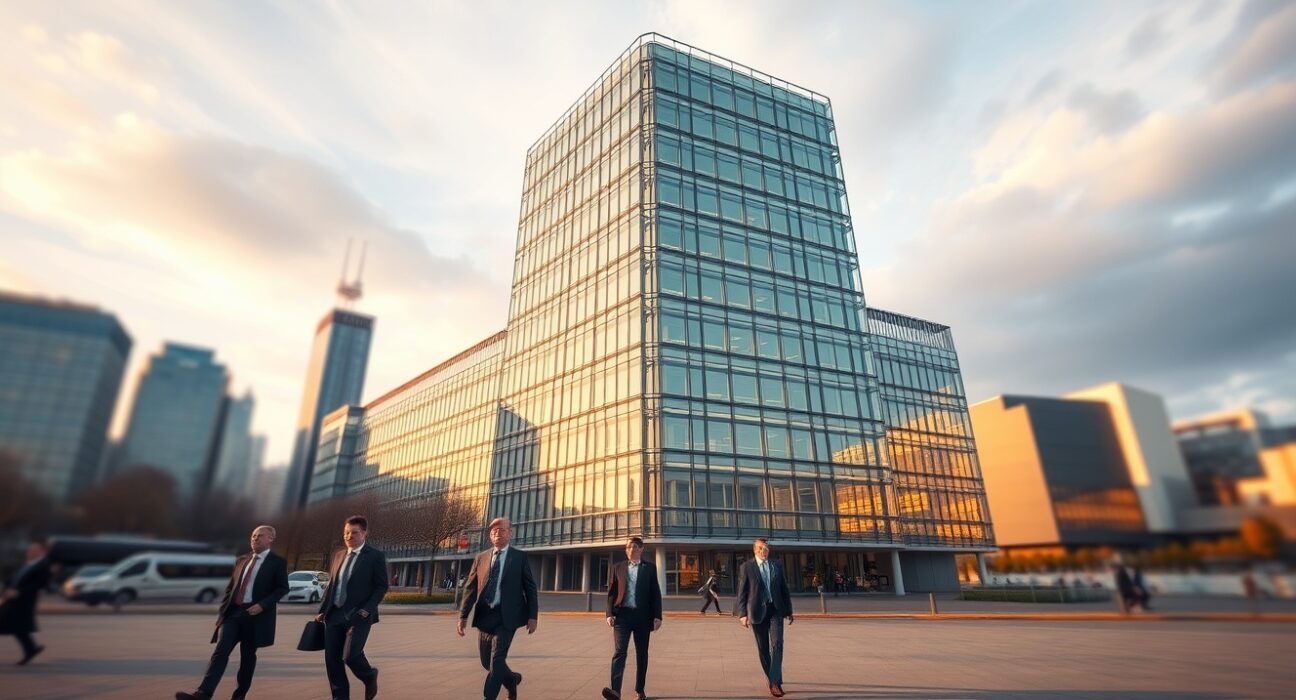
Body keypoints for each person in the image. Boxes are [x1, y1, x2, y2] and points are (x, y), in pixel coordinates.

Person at [176, 525, 289, 700]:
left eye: (260, 536)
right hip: (234, 615)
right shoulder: (241, 560)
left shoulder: (278, 562)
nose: (255, 539)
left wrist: (262, 605)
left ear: (270, 539)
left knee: (247, 658)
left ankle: (239, 696)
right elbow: (230, 589)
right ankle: (203, 694)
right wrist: (222, 614)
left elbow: (282, 588)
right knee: (220, 652)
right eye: (253, 536)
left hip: (255, 618)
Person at [458, 517, 538, 700]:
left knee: (497, 660)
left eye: (502, 530)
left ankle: (489, 697)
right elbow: (470, 588)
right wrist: (463, 616)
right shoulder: (481, 558)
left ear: (511, 533)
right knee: (487, 662)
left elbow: (530, 588)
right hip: (486, 616)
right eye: (493, 531)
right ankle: (511, 680)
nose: (497, 533)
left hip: (507, 617)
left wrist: (533, 616)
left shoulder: (519, 557)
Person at [317, 515, 388, 700]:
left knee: (351, 656)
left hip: (359, 615)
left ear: (364, 533)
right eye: (346, 533)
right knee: (332, 659)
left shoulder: (374, 556)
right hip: (334, 615)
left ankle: (369, 675)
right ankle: (340, 697)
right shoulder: (338, 555)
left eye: (354, 533)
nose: (349, 536)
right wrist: (323, 610)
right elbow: (333, 584)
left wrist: (367, 609)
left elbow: (382, 586)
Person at [602, 537, 663, 700]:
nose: (631, 550)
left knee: (642, 653)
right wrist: (609, 614)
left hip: (643, 618)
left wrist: (657, 616)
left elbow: (655, 594)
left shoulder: (649, 568)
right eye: (628, 547)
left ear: (642, 549)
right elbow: (612, 593)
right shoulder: (617, 567)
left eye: (635, 547)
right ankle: (615, 691)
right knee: (619, 652)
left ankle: (640, 689)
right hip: (622, 616)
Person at [736, 537, 794, 698]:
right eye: (761, 549)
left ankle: (774, 682)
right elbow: (742, 592)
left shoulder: (777, 565)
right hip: (756, 612)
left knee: (778, 645)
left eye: (766, 549)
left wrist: (789, 610)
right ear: (755, 550)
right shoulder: (747, 567)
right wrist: (742, 614)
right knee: (763, 649)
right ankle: (772, 678)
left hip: (776, 610)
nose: (764, 551)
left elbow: (784, 589)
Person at [0, 541, 52, 666]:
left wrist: (19, 592)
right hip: (13, 600)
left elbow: (39, 584)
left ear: (41, 551)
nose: (29, 551)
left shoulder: (43, 565)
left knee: (18, 626)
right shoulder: (28, 563)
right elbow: (13, 579)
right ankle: (32, 649)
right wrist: (6, 590)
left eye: (33, 549)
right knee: (18, 627)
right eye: (29, 549)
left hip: (24, 601)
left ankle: (31, 649)